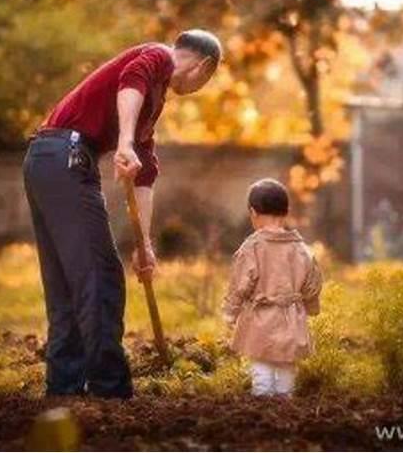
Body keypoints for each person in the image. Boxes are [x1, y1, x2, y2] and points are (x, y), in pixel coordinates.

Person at [23, 29, 221, 398]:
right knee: (102, 275)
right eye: (206, 81)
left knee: (69, 282)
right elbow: (132, 79)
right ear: (205, 67)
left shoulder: (151, 105)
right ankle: (109, 390)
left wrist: (144, 245)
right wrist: (125, 142)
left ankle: (65, 389)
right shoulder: (159, 57)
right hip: (65, 158)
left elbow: (145, 174)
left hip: (47, 161)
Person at [222, 178, 323, 397]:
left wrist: (230, 312)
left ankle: (263, 406)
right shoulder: (302, 249)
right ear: (286, 211)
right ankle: (285, 408)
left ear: (253, 212)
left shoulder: (252, 248)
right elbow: (312, 284)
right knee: (287, 366)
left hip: (261, 320)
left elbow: (240, 284)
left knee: (262, 366)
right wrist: (311, 307)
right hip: (292, 318)